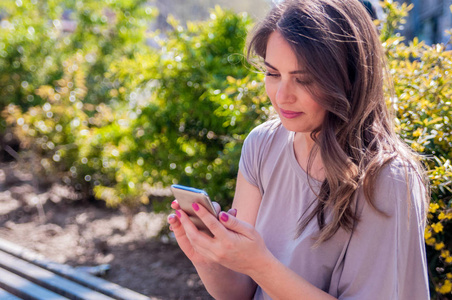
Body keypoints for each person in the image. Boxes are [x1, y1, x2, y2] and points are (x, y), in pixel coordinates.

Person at [167, 0, 430, 299]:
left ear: (349, 79)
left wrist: (260, 264)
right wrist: (206, 255)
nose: (281, 96)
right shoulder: (262, 144)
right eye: (272, 73)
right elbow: (239, 292)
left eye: (303, 79)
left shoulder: (387, 178)